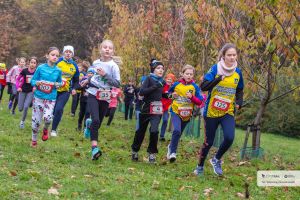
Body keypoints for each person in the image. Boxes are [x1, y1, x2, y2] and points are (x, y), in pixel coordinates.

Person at [194, 43, 244, 176]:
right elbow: (203, 86)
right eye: (229, 55)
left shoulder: (238, 72)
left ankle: (216, 159)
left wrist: (239, 102)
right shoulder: (215, 69)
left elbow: (239, 89)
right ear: (223, 56)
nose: (232, 57)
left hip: (227, 111)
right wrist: (218, 79)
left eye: (234, 55)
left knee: (229, 137)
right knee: (208, 142)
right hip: (211, 112)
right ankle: (199, 166)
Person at [82, 40, 121, 160]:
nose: (107, 49)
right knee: (96, 120)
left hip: (105, 96)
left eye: (110, 48)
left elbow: (117, 83)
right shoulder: (95, 62)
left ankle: (89, 126)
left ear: (113, 51)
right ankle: (94, 149)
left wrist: (105, 75)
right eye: (105, 47)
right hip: (93, 93)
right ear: (100, 49)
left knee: (97, 123)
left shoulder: (114, 66)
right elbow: (94, 76)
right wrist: (87, 81)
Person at [166, 65, 203, 162]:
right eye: (187, 73)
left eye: (191, 74)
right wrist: (172, 95)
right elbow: (167, 94)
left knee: (178, 134)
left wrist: (192, 97)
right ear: (182, 74)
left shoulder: (194, 87)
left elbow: (200, 101)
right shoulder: (176, 84)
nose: (189, 76)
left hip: (187, 114)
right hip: (175, 111)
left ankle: (171, 146)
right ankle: (173, 153)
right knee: (177, 130)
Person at [131, 59, 165, 163]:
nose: (161, 70)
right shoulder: (149, 79)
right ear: (153, 69)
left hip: (156, 110)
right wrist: (156, 86)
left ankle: (152, 154)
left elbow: (160, 94)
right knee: (141, 132)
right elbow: (142, 92)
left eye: (162, 69)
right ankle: (135, 151)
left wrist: (169, 95)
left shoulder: (162, 82)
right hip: (145, 109)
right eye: (158, 68)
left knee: (154, 130)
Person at [30, 47, 62, 147]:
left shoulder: (58, 70)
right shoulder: (40, 68)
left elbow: (60, 82)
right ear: (47, 55)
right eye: (53, 55)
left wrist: (58, 84)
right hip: (38, 97)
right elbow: (32, 81)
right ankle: (34, 140)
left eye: (57, 56)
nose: (55, 57)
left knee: (48, 118)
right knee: (36, 122)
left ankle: (45, 129)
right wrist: (37, 82)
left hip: (51, 98)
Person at [50, 45, 80, 137]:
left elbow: (76, 80)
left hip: (65, 91)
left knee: (59, 109)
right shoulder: (58, 61)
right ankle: (51, 118)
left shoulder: (74, 65)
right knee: (53, 110)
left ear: (72, 54)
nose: (68, 53)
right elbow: (50, 71)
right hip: (54, 89)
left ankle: (53, 130)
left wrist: (74, 88)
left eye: (70, 52)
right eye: (66, 51)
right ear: (63, 53)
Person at [16, 57, 38, 128]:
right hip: (22, 90)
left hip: (31, 91)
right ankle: (26, 104)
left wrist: (36, 87)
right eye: (31, 62)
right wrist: (18, 87)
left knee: (26, 107)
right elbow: (17, 79)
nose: (33, 64)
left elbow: (39, 81)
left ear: (36, 64)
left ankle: (22, 122)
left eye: (34, 63)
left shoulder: (37, 72)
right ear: (29, 63)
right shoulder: (24, 70)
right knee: (20, 108)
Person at [159, 73, 176, 141]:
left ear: (172, 81)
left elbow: (174, 96)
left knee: (165, 120)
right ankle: (153, 131)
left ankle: (162, 136)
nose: (169, 81)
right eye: (168, 79)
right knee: (157, 120)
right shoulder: (162, 85)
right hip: (159, 106)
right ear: (166, 79)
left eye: (171, 80)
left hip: (166, 107)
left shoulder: (173, 88)